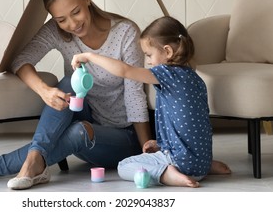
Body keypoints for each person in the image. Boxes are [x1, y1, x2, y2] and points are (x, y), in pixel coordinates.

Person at [0, 0, 152, 190]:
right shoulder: (57, 31)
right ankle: (34, 160)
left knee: (79, 131)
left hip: (122, 137)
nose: (72, 24)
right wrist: (45, 91)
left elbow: (135, 95)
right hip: (86, 116)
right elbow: (21, 60)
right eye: (61, 19)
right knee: (68, 83)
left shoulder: (125, 32)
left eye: (76, 12)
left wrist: (146, 151)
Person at [71, 16, 230, 188]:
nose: (148, 61)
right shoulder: (195, 78)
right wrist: (161, 144)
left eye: (149, 55)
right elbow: (189, 126)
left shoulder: (167, 74)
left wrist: (89, 56)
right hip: (200, 162)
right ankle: (205, 166)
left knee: (124, 166)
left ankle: (166, 174)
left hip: (180, 163)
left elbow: (125, 70)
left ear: (168, 52)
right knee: (181, 152)